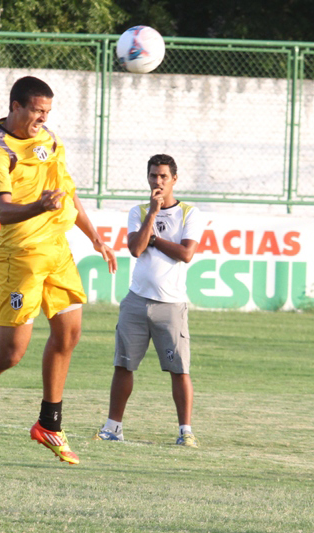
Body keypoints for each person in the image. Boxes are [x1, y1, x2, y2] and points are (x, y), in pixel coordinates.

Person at [0, 76, 117, 465]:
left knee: (69, 334)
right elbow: (2, 211)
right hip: (21, 255)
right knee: (11, 352)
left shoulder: (49, 140)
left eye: (47, 112)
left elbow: (67, 193)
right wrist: (40, 206)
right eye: (38, 111)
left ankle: (49, 424)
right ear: (16, 106)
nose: (43, 119)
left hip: (57, 250)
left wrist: (95, 238)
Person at [94, 154, 205, 447]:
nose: (158, 181)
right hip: (136, 301)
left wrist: (155, 240)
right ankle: (113, 427)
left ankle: (185, 431)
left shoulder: (190, 213)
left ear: (174, 179)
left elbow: (186, 254)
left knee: (179, 369)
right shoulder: (139, 211)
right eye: (153, 175)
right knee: (123, 365)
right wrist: (152, 216)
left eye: (163, 176)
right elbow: (135, 248)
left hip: (171, 305)